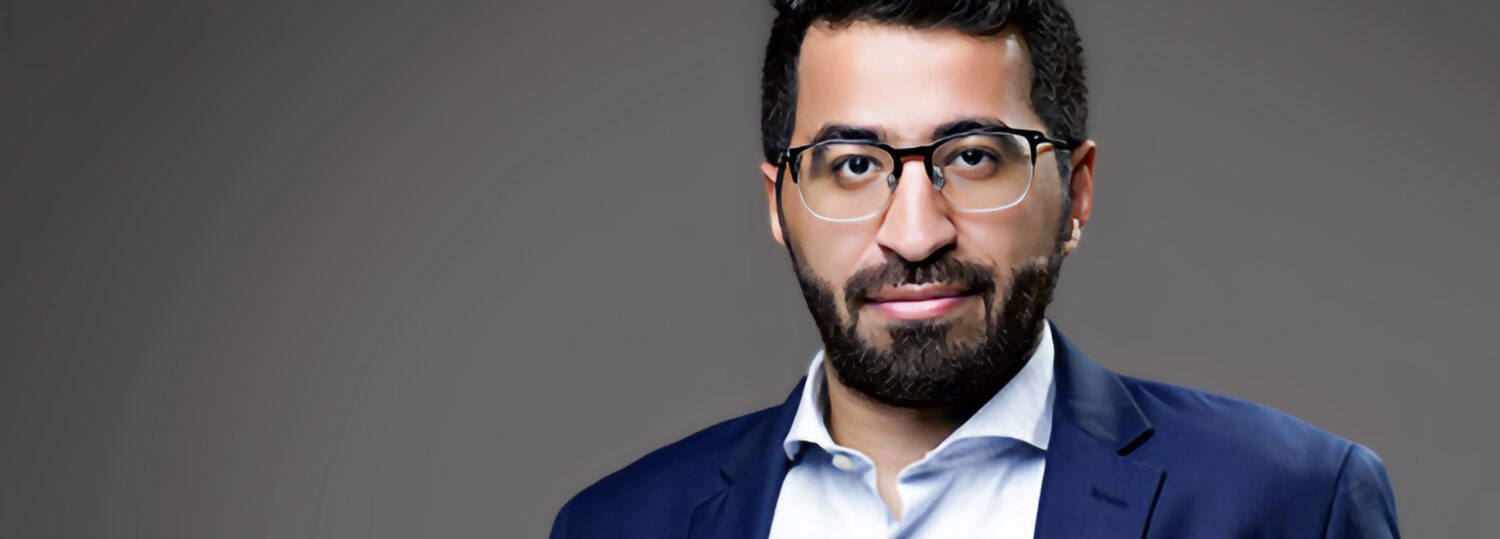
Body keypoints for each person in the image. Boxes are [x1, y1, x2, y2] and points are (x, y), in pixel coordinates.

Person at [549, 1, 1400, 537]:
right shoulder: (616, 525)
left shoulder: (1291, 503)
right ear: (779, 203)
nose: (915, 235)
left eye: (974, 157)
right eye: (852, 164)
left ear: (1076, 192)